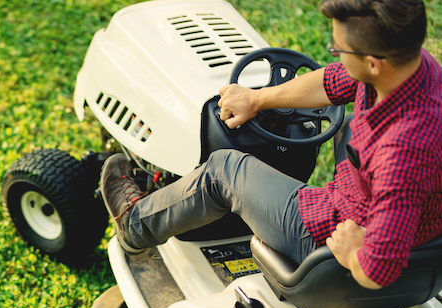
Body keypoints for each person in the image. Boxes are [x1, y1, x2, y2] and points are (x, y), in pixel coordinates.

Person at [100, 0, 442, 289]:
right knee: (351, 124)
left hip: (328, 238)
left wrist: (353, 250)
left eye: (339, 48)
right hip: (380, 205)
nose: (336, 54)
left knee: (223, 169)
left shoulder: (402, 154)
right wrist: (257, 99)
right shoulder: (416, 67)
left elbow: (381, 268)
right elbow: (332, 81)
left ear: (372, 63)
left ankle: (136, 224)